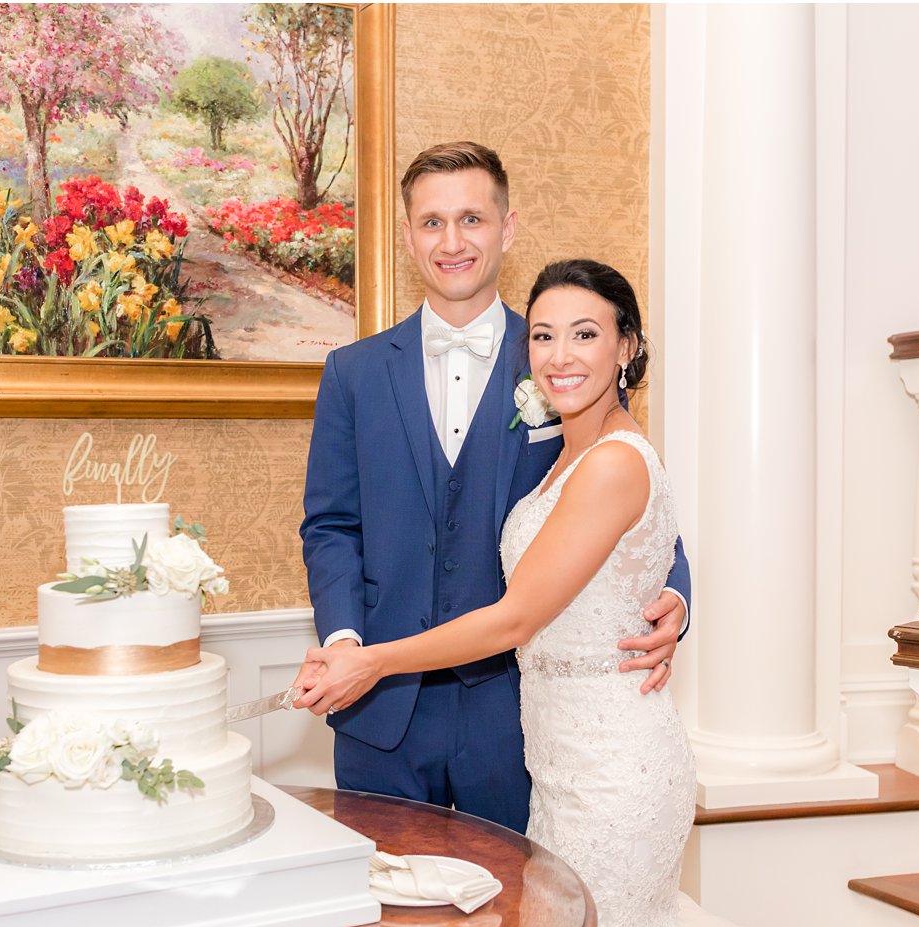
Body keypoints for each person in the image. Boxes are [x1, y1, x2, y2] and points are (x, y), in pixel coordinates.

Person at [295, 260, 841, 927]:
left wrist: (373, 661)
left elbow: (520, 613)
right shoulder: (565, 450)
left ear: (627, 346)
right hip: (556, 762)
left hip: (612, 768)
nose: (559, 354)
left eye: (585, 334)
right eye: (545, 336)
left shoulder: (611, 461)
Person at [296, 142, 691, 834]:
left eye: (473, 219)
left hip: (512, 715)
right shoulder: (352, 373)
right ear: (408, 235)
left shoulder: (562, 357)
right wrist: (348, 639)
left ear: (507, 229)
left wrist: (677, 596)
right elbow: (330, 525)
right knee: (390, 923)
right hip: (377, 707)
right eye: (432, 222)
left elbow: (633, 499)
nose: (453, 242)